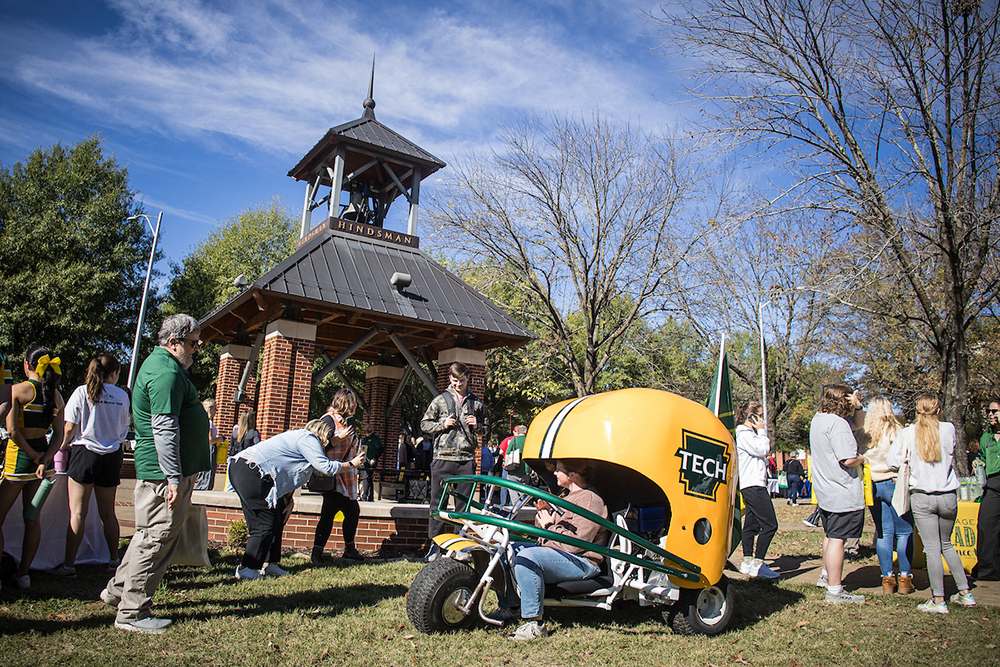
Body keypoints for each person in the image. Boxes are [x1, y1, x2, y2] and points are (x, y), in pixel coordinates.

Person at [101, 314, 211, 634]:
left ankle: (117, 590)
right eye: (193, 343)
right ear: (173, 342)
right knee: (157, 539)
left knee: (146, 535)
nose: (196, 349)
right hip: (165, 476)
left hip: (163, 473)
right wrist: (174, 478)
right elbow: (164, 428)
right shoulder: (165, 373)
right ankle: (132, 612)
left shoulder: (166, 366)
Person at [231, 419, 365, 579]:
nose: (328, 443)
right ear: (322, 435)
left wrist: (288, 499)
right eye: (328, 438)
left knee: (277, 517)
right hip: (252, 470)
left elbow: (290, 471)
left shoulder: (302, 442)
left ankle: (271, 564)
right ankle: (248, 568)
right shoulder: (308, 438)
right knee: (265, 522)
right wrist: (351, 464)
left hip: (249, 471)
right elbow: (326, 467)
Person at [490, 459, 609, 641]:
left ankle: (535, 624)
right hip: (557, 552)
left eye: (558, 470)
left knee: (527, 557)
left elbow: (575, 545)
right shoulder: (566, 497)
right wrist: (544, 515)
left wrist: (548, 525)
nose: (554, 473)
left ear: (572, 475)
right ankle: (511, 607)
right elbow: (548, 529)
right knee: (505, 549)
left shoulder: (590, 500)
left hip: (581, 561)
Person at [887, 394, 976, 613]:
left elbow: (892, 462)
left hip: (922, 496)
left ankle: (938, 599)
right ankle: (965, 592)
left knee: (932, 549)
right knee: (947, 544)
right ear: (938, 410)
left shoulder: (908, 433)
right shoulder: (949, 429)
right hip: (948, 495)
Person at [51, 354, 130, 577]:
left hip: (84, 453)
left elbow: (69, 428)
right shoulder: (123, 396)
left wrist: (60, 447)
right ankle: (114, 560)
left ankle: (68, 565)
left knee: (77, 513)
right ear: (114, 373)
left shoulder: (81, 392)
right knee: (108, 513)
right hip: (112, 456)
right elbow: (123, 430)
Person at [0, 346, 65, 590]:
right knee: (32, 519)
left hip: (18, 464)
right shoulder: (56, 396)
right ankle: (23, 575)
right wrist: (45, 458)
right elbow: (59, 435)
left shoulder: (17, 390)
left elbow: (13, 432)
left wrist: (34, 455)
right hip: (41, 469)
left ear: (27, 365)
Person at [420, 362, 486, 561]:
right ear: (450, 379)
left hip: (466, 459)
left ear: (468, 379)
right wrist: (443, 424)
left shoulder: (476, 403)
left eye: (462, 380)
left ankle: (459, 546)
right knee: (437, 504)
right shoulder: (440, 401)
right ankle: (435, 545)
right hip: (443, 458)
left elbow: (486, 429)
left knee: (462, 507)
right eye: (455, 380)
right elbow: (424, 424)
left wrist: (478, 425)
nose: (458, 384)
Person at [809, 384, 867, 603]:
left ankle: (826, 575)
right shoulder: (838, 424)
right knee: (837, 539)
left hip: (826, 490)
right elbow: (848, 459)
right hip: (841, 491)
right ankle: (834, 590)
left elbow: (858, 424)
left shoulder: (819, 419)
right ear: (844, 401)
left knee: (830, 536)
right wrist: (863, 458)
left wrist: (858, 407)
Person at [859, 397, 914, 595]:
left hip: (872, 485)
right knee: (904, 531)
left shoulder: (863, 434)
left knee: (883, 532)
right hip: (893, 481)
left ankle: (887, 578)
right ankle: (905, 577)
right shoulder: (896, 431)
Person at [311, 388, 365, 562]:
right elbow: (315, 447)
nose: (356, 405)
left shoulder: (344, 421)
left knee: (328, 513)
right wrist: (339, 438)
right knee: (352, 510)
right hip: (330, 475)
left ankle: (317, 553)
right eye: (354, 401)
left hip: (343, 475)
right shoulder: (328, 420)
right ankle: (349, 548)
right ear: (347, 403)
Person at [734, 401, 779, 579]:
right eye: (760, 416)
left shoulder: (747, 434)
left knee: (751, 525)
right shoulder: (744, 434)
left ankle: (747, 560)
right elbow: (763, 449)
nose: (762, 419)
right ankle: (758, 564)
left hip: (754, 483)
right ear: (750, 417)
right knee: (770, 525)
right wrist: (761, 431)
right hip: (753, 484)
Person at [974, 399, 1000, 581]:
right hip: (993, 485)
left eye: (995, 411)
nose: (991, 415)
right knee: (986, 525)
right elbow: (982, 457)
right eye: (989, 412)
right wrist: (978, 463)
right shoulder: (986, 437)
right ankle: (986, 569)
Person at [226, 410, 261, 492]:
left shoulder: (235, 433)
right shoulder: (253, 433)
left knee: (230, 486)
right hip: (246, 461)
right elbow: (258, 447)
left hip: (233, 460)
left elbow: (231, 448)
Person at [194, 398, 224, 491]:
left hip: (203, 448)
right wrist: (220, 439)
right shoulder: (209, 422)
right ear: (210, 409)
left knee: (204, 472)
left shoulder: (202, 421)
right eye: (215, 408)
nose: (216, 411)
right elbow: (210, 440)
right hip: (209, 449)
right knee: (208, 471)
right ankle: (204, 489)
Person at [359, 423, 383, 502]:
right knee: (368, 479)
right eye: (367, 426)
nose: (368, 428)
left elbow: (380, 449)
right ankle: (370, 497)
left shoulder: (375, 439)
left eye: (370, 427)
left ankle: (364, 496)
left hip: (371, 462)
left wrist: (374, 459)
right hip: (363, 461)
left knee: (366, 477)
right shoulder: (364, 439)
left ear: (373, 429)